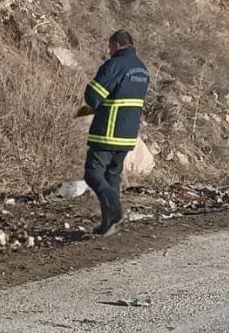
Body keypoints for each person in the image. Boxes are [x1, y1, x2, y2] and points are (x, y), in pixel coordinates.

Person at [76, 30, 150, 236]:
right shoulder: (142, 68)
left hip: (108, 130)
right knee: (112, 175)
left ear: (116, 45)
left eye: (109, 48)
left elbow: (94, 97)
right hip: (128, 133)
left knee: (93, 173)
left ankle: (115, 211)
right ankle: (109, 222)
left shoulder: (115, 65)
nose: (108, 52)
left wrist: (90, 90)